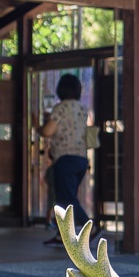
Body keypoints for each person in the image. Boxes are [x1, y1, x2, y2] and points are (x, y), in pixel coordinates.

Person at [38, 73, 100, 246]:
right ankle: (61, 235)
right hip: (80, 159)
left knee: (67, 199)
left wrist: (39, 126)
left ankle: (90, 226)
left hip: (64, 158)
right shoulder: (82, 109)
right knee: (66, 197)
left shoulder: (61, 108)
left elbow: (48, 132)